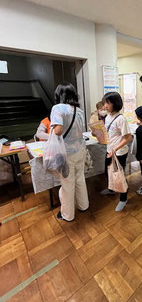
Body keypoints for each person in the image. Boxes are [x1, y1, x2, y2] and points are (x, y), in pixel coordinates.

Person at [51, 83, 89, 222]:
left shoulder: (58, 108)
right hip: (80, 150)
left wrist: (54, 128)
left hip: (66, 153)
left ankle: (68, 215)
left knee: (67, 184)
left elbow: (58, 131)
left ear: (59, 95)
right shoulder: (79, 110)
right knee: (80, 179)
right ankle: (84, 206)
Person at [100, 91, 132, 211]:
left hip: (119, 152)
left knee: (119, 176)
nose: (105, 106)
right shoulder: (108, 117)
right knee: (107, 172)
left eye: (108, 103)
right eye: (105, 103)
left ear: (115, 104)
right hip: (110, 150)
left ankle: (123, 199)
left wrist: (115, 149)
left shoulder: (121, 119)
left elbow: (128, 137)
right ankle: (111, 189)